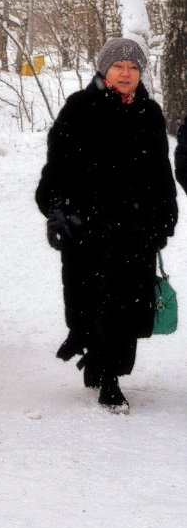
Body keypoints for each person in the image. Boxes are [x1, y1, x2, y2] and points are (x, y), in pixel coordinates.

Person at [36, 37, 177, 411]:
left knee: (126, 303)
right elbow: (57, 165)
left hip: (135, 227)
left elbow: (161, 169)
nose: (126, 73)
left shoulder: (150, 112)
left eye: (133, 67)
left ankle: (110, 375)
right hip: (88, 226)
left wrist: (165, 215)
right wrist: (56, 210)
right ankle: (92, 353)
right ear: (104, 70)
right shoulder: (79, 108)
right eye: (118, 66)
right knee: (88, 299)